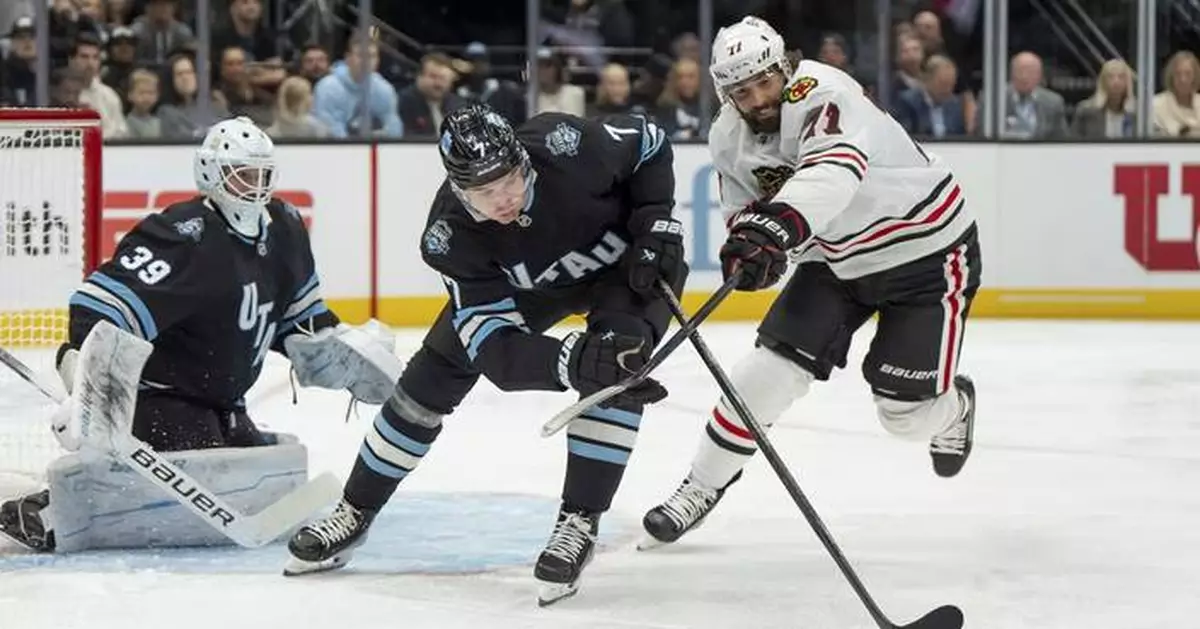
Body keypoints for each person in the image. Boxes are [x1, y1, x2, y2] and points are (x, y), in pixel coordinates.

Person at [283, 103, 686, 606]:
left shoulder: (567, 143)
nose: (503, 199)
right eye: (483, 191)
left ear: (523, 161)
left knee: (616, 363)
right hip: (532, 289)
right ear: (457, 188)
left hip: (630, 266)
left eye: (510, 181)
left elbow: (649, 138)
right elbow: (496, 352)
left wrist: (655, 221)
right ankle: (355, 509)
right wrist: (570, 360)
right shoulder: (450, 237)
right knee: (431, 377)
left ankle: (579, 520)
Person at [640, 16, 982, 548]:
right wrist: (756, 255)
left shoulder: (825, 89)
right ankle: (700, 487)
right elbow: (747, 215)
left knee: (904, 416)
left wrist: (778, 227)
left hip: (926, 252)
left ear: (785, 67)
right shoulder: (726, 136)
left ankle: (954, 407)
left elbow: (832, 172)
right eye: (740, 90)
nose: (757, 98)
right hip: (837, 261)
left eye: (765, 81)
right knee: (762, 374)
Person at [0, 117, 400, 553]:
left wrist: (338, 351)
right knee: (204, 470)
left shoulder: (284, 227)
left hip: (224, 404)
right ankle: (48, 510)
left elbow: (301, 320)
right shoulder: (183, 236)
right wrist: (88, 390)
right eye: (244, 175)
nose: (256, 186)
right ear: (211, 173)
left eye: (263, 175)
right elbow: (98, 309)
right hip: (158, 399)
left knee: (262, 467)